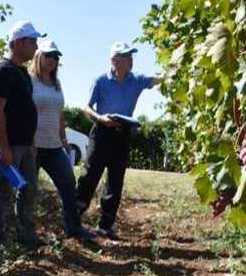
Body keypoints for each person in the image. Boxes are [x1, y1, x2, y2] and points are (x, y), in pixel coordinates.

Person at [76, 42, 160, 239]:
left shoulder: (137, 80)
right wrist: (100, 118)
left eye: (131, 56)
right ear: (114, 60)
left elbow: (157, 80)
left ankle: (106, 225)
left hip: (123, 134)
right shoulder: (100, 81)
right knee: (90, 176)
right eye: (126, 56)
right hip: (102, 132)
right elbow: (86, 107)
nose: (130, 60)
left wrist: (173, 72)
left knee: (115, 180)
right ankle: (73, 218)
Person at [29, 40, 95, 240]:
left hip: (54, 146)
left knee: (68, 183)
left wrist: (64, 140)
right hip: (33, 146)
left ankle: (74, 227)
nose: (52, 60)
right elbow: (24, 111)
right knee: (29, 190)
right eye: (48, 55)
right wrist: (28, 141)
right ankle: (25, 232)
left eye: (56, 57)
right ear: (39, 56)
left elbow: (60, 114)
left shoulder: (56, 84)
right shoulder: (29, 80)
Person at [0, 21, 44, 249]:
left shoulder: (21, 72)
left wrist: (30, 142)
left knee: (28, 191)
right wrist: (4, 147)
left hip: (24, 145)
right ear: (19, 42)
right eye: (33, 42)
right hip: (9, 146)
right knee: (3, 193)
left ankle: (26, 235)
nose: (36, 47)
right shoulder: (3, 71)